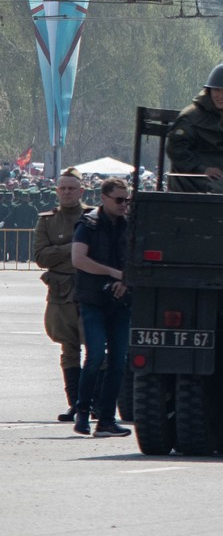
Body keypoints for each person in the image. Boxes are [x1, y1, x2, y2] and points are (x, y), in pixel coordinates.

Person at [71, 178, 132, 437]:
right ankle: (82, 413)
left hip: (121, 301)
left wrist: (126, 280)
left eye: (126, 199)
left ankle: (106, 419)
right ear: (104, 198)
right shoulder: (89, 224)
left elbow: (139, 258)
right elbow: (79, 259)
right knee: (95, 356)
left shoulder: (130, 225)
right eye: (119, 199)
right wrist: (113, 274)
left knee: (119, 362)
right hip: (93, 299)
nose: (123, 204)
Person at [32, 168, 88, 422]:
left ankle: (94, 402)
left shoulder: (92, 217)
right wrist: (74, 247)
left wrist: (61, 251)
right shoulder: (47, 220)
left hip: (89, 289)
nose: (66, 193)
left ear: (81, 191)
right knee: (69, 348)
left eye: (71, 188)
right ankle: (75, 403)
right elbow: (42, 257)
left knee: (98, 348)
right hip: (61, 291)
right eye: (62, 188)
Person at [167, 63, 223, 192]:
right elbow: (177, 149)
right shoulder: (191, 117)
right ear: (209, 91)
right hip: (193, 178)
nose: (221, 96)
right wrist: (201, 169)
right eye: (216, 90)